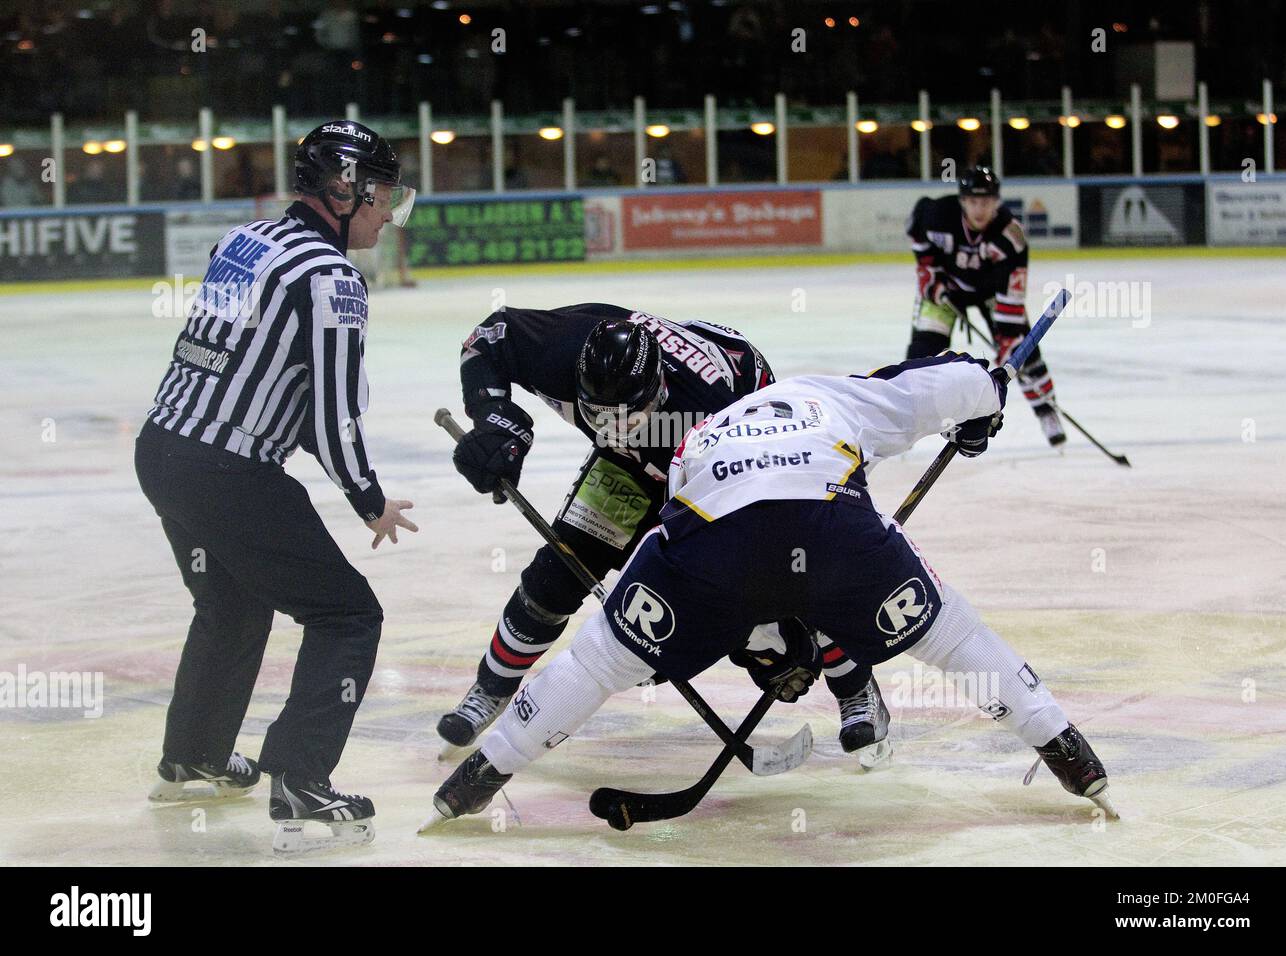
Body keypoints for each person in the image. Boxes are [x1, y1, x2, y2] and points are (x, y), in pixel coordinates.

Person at [424, 352, 1113, 826]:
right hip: (834, 528)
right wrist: (984, 409)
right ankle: (1067, 752)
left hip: (710, 538)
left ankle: (478, 777)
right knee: (955, 636)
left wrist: (765, 638)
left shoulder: (700, 436)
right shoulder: (834, 394)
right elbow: (957, 382)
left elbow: (725, 558)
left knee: (597, 660)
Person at [440, 305, 893, 767]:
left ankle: (855, 684)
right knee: (558, 573)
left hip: (734, 459)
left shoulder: (711, 410)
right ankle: (490, 689)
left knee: (789, 574)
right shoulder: (561, 347)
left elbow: (727, 557)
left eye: (629, 418)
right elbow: (489, 336)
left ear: (658, 391)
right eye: (600, 416)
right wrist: (495, 420)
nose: (614, 428)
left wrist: (758, 635)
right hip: (636, 463)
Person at [135, 120, 418, 854]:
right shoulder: (333, 280)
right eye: (384, 194)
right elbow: (331, 416)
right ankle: (300, 781)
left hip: (164, 449)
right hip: (229, 469)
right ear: (345, 190)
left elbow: (211, 351)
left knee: (230, 603)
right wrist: (368, 498)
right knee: (348, 616)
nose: (390, 212)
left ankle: (192, 757)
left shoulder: (246, 239)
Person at [905, 165, 1066, 447]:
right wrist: (930, 277)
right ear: (963, 201)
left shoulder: (1011, 236)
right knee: (921, 355)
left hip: (991, 293)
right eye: (973, 202)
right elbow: (916, 232)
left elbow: (1011, 294)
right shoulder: (938, 215)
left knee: (1024, 353)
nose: (980, 209)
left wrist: (1007, 336)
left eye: (987, 202)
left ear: (997, 202)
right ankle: (908, 417)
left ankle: (1047, 411)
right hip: (948, 289)